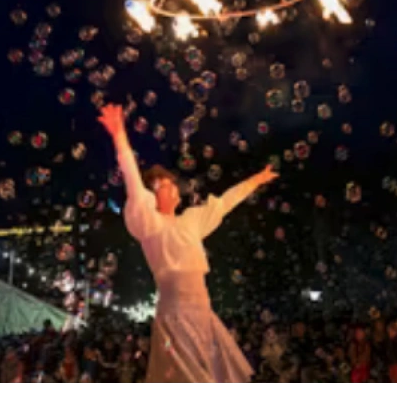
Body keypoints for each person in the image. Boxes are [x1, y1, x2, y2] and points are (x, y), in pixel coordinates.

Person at [98, 103, 279, 384]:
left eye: (170, 183)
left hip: (203, 313)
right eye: (161, 185)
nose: (170, 186)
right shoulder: (150, 224)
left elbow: (226, 202)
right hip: (175, 316)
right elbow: (133, 183)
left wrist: (257, 179)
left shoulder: (192, 220)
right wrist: (120, 136)